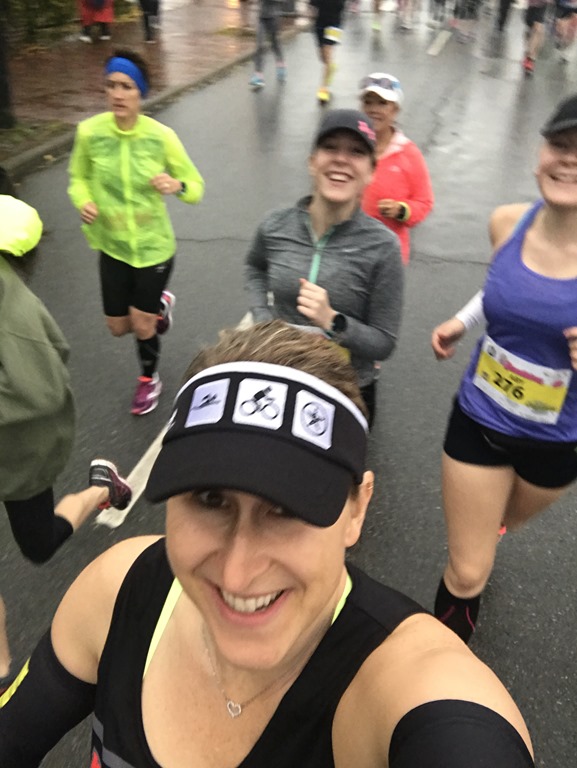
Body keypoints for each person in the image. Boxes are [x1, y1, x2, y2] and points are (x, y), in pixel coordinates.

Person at [0, 321, 535, 767]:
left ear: (357, 510)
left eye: (286, 510)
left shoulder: (411, 686)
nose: (237, 572)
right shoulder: (119, 590)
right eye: (210, 499)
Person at [430, 93, 577, 645]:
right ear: (541, 153)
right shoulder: (507, 223)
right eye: (560, 144)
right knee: (468, 570)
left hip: (557, 445)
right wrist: (462, 320)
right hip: (480, 421)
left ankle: (482, 534)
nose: (568, 160)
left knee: (494, 529)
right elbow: (501, 286)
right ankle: (437, 667)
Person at [0, 195, 132, 686]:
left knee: (38, 545)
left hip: (20, 453)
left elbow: (43, 391)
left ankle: (101, 489)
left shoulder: (14, 312)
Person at [244, 109, 403, 426]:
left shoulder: (383, 247)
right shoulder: (275, 226)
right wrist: (263, 317)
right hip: (279, 377)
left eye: (356, 152)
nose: (341, 159)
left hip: (346, 392)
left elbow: (384, 343)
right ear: (312, 162)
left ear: (371, 172)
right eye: (330, 147)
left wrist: (333, 321)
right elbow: (254, 266)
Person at [68, 50, 205, 416]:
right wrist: (83, 201)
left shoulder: (161, 137)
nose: (117, 94)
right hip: (112, 245)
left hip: (153, 248)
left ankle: (149, 379)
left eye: (127, 86)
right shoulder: (90, 133)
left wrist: (176, 185)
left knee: (143, 326)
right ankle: (160, 305)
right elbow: (78, 178)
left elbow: (196, 187)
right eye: (111, 85)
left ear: (140, 92)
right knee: (118, 327)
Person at [359, 74, 433, 265]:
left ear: (395, 110)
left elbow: (424, 202)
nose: (373, 110)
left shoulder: (408, 153)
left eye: (382, 103)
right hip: (348, 250)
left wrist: (401, 210)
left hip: (387, 258)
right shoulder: (351, 146)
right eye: (368, 102)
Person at [309, 0, 346, 103]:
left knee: (327, 53)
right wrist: (311, 14)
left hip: (335, 26)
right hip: (320, 25)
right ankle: (331, 67)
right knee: (323, 58)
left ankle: (323, 88)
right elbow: (312, 6)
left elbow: (341, 7)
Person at [249, 0, 287, 89]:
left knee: (275, 43)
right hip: (262, 17)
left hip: (274, 17)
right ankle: (258, 75)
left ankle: (281, 64)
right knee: (259, 45)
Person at [522, 0, 548, 74]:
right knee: (530, 31)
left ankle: (530, 59)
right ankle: (528, 52)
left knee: (538, 28)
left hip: (543, 5)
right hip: (531, 5)